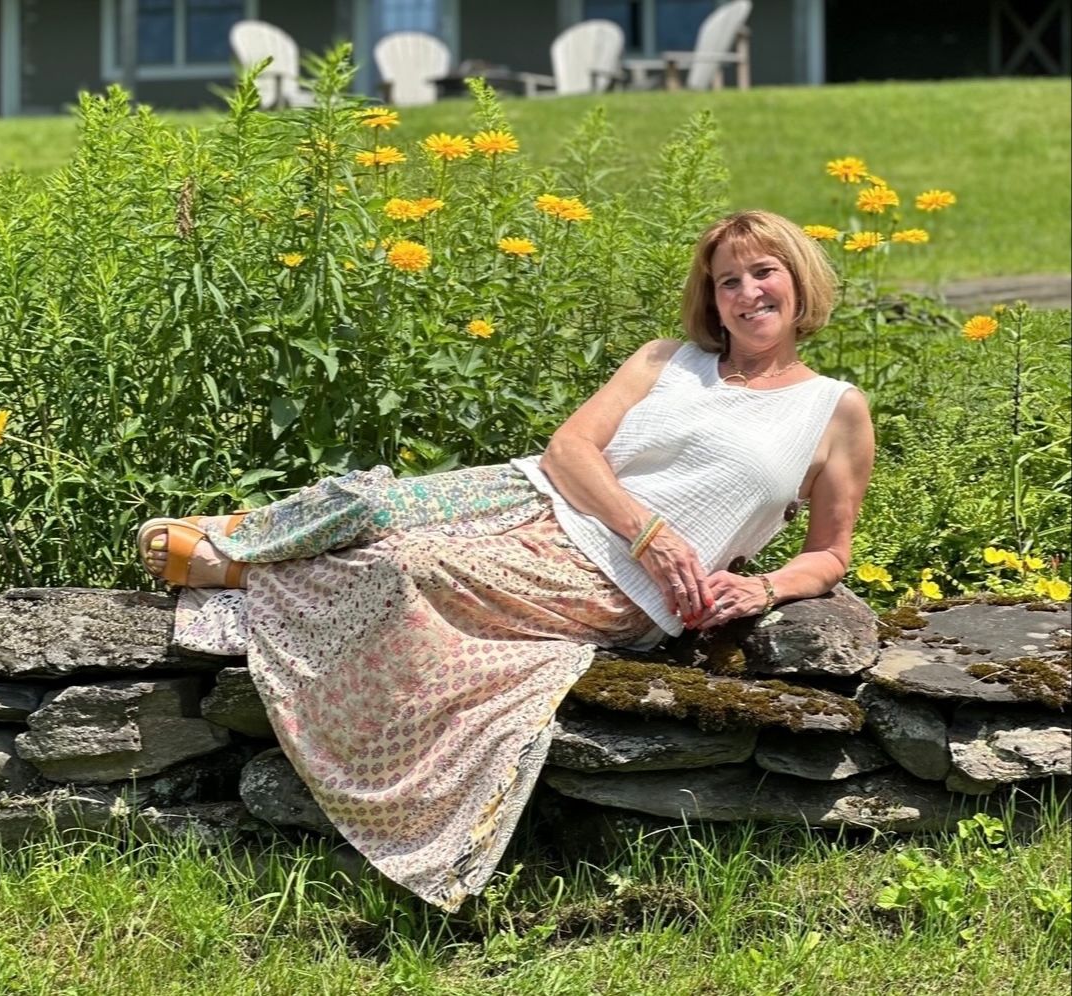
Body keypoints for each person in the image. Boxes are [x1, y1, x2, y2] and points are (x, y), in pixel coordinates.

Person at [138, 209, 875, 910]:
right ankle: (244, 541)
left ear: (798, 279)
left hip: (610, 580)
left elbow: (830, 553)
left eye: (763, 272)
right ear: (711, 300)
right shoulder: (666, 360)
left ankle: (242, 568)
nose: (747, 293)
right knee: (376, 506)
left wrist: (765, 588)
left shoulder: (833, 410)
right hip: (535, 495)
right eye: (727, 281)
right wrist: (647, 528)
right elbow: (569, 450)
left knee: (404, 566)